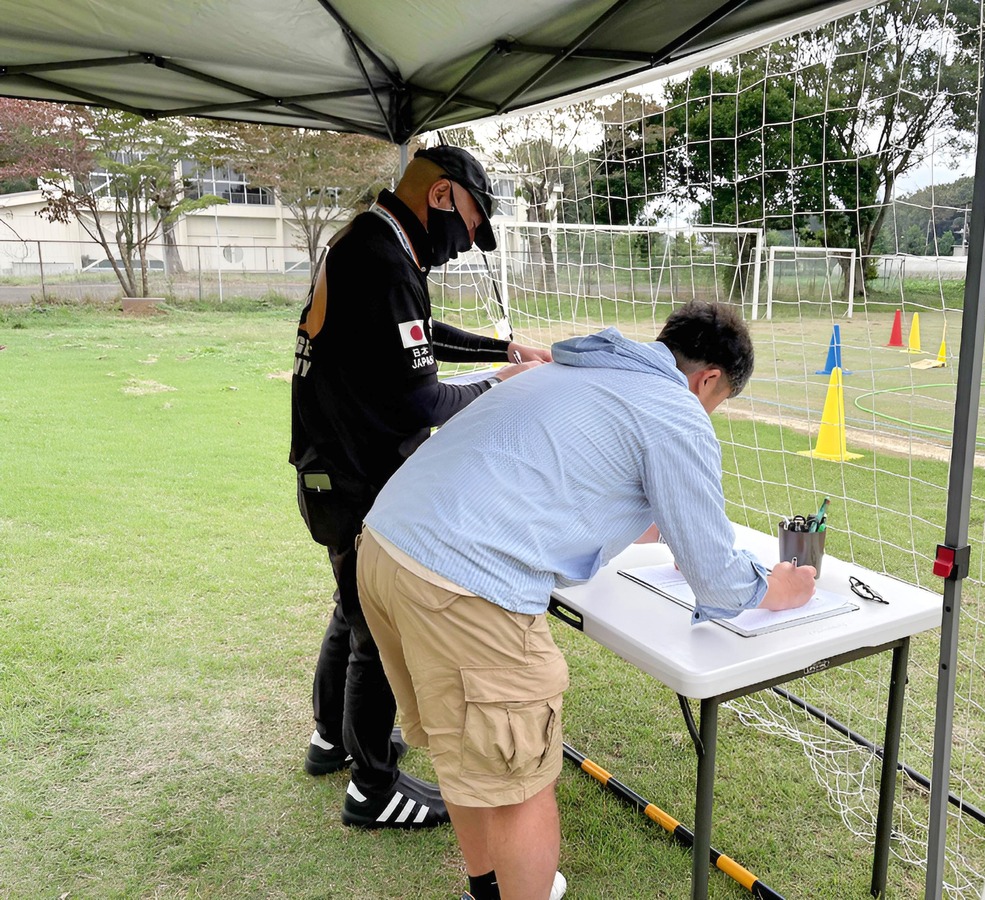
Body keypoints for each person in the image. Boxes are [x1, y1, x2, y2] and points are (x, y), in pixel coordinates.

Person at [356, 301, 817, 900]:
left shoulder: (580, 371)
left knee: (464, 748)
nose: (710, 411)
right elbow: (721, 583)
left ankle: (489, 888)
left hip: (387, 548)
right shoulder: (675, 408)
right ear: (709, 380)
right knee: (521, 784)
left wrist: (678, 531)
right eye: (718, 401)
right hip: (462, 585)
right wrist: (777, 587)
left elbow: (584, 475)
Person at [289, 144, 549, 829]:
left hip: (327, 470)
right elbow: (420, 403)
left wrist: (501, 349)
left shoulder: (369, 242)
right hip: (356, 474)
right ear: (441, 197)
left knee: (351, 607)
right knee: (375, 623)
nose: (465, 244)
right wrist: (504, 383)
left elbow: (418, 334)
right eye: (469, 224)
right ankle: (372, 787)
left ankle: (331, 741)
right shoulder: (385, 256)